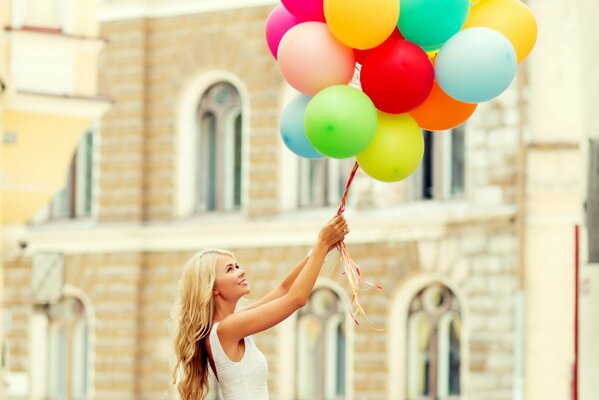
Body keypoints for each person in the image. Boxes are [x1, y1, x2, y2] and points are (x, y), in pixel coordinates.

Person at [171, 215, 349, 400]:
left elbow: (284, 290)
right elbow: (296, 299)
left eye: (237, 266)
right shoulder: (227, 328)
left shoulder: (231, 323)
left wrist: (323, 249)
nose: (241, 271)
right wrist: (322, 243)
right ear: (212, 287)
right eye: (230, 269)